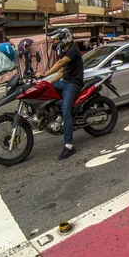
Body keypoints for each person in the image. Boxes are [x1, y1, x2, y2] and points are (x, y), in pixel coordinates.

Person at [36, 28, 84, 160]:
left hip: (73, 84)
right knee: (45, 91)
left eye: (57, 39)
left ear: (64, 38)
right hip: (65, 82)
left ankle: (69, 146)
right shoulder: (65, 52)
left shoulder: (73, 50)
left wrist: (45, 73)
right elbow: (62, 72)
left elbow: (60, 63)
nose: (55, 42)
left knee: (66, 111)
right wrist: (48, 83)